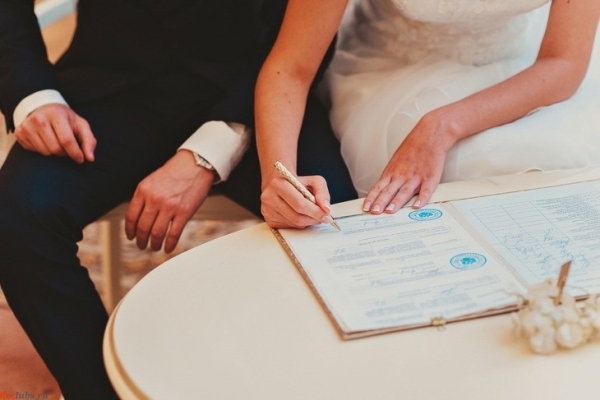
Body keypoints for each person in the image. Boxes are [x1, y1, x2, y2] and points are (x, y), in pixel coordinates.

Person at [0, 0, 356, 397]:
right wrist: (33, 94)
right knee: (16, 219)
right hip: (110, 85)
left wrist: (208, 153)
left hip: (257, 91)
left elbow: (302, 44)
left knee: (327, 222)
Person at [256, 0, 600, 228]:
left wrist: (441, 125)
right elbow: (290, 69)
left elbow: (564, 62)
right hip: (394, 72)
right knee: (465, 172)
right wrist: (277, 177)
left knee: (559, 161)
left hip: (528, 70)